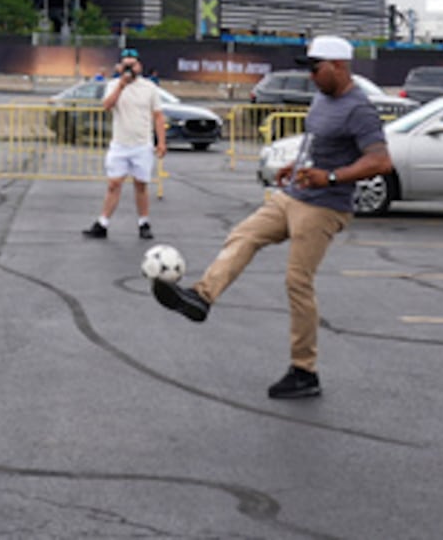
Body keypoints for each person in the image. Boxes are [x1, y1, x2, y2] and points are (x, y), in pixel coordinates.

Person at [150, 35, 393, 399]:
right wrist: (297, 166)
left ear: (339, 66)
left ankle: (304, 371)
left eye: (316, 68)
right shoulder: (324, 98)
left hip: (325, 205)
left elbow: (380, 160)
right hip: (295, 193)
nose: (311, 76)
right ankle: (202, 297)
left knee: (298, 282)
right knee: (244, 234)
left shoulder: (358, 108)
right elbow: (323, 145)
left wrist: (329, 177)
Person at [82, 47, 167, 241]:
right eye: (126, 65)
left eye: (133, 64)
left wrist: (161, 141)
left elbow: (158, 116)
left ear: (139, 66)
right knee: (114, 183)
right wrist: (122, 84)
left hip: (141, 143)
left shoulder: (149, 88)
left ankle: (143, 222)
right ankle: (103, 222)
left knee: (141, 185)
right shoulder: (113, 85)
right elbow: (107, 106)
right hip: (120, 143)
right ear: (119, 66)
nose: (130, 69)